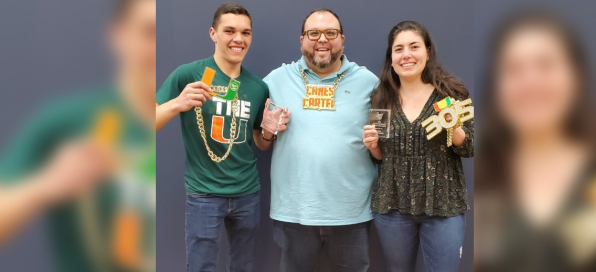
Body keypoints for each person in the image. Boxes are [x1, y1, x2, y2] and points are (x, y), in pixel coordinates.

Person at [474, 10, 596, 272]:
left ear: (576, 76)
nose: (530, 82)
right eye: (513, 69)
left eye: (545, 65)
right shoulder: (480, 174)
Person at [0, 0, 157, 271]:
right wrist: (44, 185)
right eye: (149, 33)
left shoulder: (194, 116)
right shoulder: (68, 121)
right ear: (118, 35)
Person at [155, 3, 288, 271]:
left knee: (244, 266)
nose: (239, 39)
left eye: (246, 33)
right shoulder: (189, 74)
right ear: (213, 33)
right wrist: (177, 104)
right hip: (204, 194)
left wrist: (270, 132)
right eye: (230, 31)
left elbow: (260, 143)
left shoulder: (257, 86)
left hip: (247, 193)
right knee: (201, 266)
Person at [263, 8, 378, 272]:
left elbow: (382, 144)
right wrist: (268, 131)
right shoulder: (276, 80)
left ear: (342, 39)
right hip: (294, 211)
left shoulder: (369, 82)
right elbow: (261, 141)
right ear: (302, 39)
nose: (322, 39)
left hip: (352, 212)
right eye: (314, 33)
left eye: (331, 33)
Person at [362, 21, 474, 272]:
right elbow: (382, 157)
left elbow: (470, 147)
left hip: (443, 205)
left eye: (414, 47)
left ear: (428, 52)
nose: (407, 55)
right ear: (391, 58)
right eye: (399, 49)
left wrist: (452, 127)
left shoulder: (451, 94)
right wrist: (373, 147)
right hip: (392, 207)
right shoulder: (381, 97)